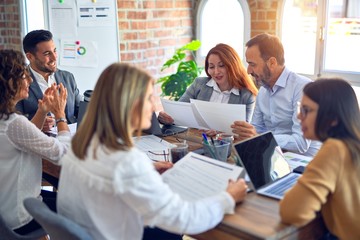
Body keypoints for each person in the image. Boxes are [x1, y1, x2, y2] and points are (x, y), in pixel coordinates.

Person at [57, 63, 248, 240]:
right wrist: (228, 197)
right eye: (149, 98)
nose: (152, 105)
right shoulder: (127, 162)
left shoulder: (82, 143)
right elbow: (185, 219)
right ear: (131, 104)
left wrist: (146, 169)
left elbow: (114, 179)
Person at [0, 49, 71, 234]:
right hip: (20, 217)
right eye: (24, 76)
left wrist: (42, 111)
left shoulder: (7, 120)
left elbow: (24, 138)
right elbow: (64, 155)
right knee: (82, 209)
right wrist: (60, 115)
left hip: (6, 210)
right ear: (9, 82)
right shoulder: (14, 123)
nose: (30, 81)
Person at [279, 78, 360, 239]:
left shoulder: (335, 149)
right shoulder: (352, 145)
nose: (299, 116)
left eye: (306, 110)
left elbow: (292, 211)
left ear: (332, 118)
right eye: (300, 109)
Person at [231, 33, 321, 156]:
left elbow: (301, 143)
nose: (248, 71)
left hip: (303, 163)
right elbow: (256, 129)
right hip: (274, 157)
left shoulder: (303, 88)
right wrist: (244, 134)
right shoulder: (263, 91)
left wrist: (260, 138)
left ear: (272, 63)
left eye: (252, 64)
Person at [158, 43, 258, 124]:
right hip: (195, 139)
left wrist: (220, 134)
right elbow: (177, 112)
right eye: (211, 67)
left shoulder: (246, 95)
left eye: (221, 65)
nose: (216, 72)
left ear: (233, 66)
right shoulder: (199, 84)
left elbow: (244, 132)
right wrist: (165, 118)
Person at [16, 29, 81, 131]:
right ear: (30, 57)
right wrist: (37, 123)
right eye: (47, 53)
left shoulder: (68, 77)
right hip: (37, 142)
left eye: (54, 51)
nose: (54, 57)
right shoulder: (19, 82)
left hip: (69, 139)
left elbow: (80, 111)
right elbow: (14, 125)